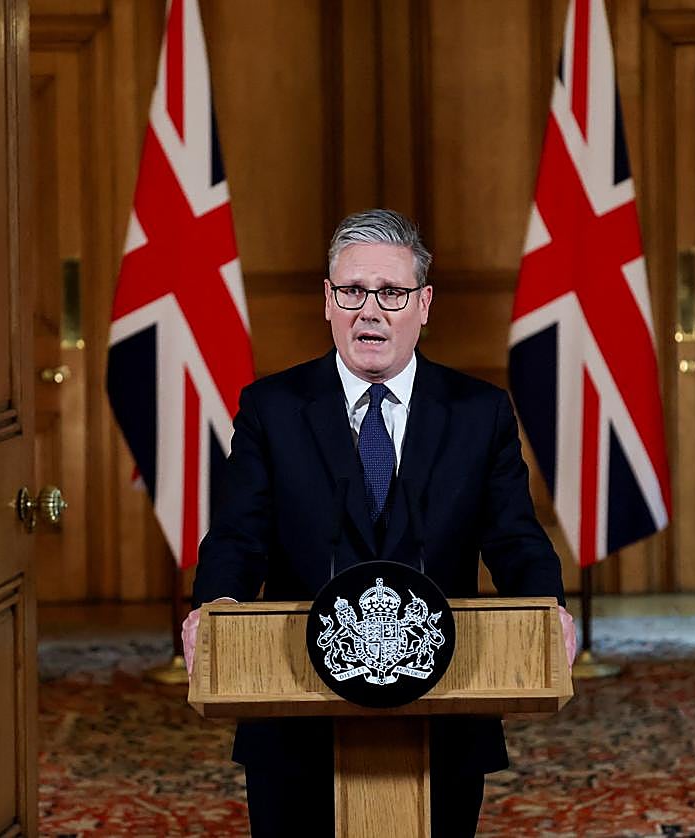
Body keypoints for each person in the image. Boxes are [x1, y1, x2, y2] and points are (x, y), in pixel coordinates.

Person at [183, 208, 576, 837]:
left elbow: (513, 536)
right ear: (328, 302)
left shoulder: (479, 413)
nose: (371, 310)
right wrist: (216, 606)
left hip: (445, 697)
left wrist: (547, 606)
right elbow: (238, 534)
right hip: (294, 707)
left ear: (423, 305)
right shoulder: (273, 409)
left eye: (391, 292)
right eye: (353, 291)